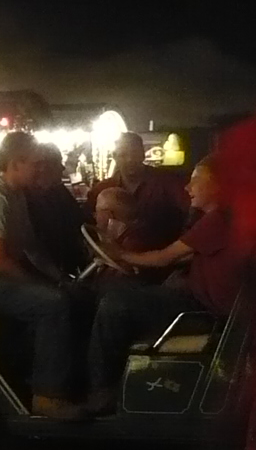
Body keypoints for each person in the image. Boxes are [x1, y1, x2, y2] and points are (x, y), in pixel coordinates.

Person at [84, 156, 245, 410]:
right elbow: (185, 257)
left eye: (195, 181)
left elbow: (163, 258)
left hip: (203, 309)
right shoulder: (225, 220)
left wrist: (119, 254)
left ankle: (102, 391)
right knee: (127, 293)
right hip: (199, 299)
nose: (187, 188)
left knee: (114, 305)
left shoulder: (218, 220)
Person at [0, 129, 87, 419]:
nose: (40, 168)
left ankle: (58, 379)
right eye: (35, 163)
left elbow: (31, 248)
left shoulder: (17, 196)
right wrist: (46, 286)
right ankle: (48, 396)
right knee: (52, 305)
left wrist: (60, 278)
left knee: (70, 297)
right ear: (15, 164)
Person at [89, 132, 189, 253]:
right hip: (115, 260)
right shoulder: (102, 188)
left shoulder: (168, 182)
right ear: (114, 156)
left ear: (143, 154)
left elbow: (192, 211)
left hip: (161, 259)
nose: (130, 159)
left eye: (135, 153)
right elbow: (87, 222)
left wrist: (182, 248)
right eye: (123, 155)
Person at [26, 143, 90, 277]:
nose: (62, 168)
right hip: (41, 272)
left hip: (66, 264)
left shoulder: (57, 191)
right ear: (42, 167)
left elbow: (80, 222)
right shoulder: (25, 199)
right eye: (57, 162)